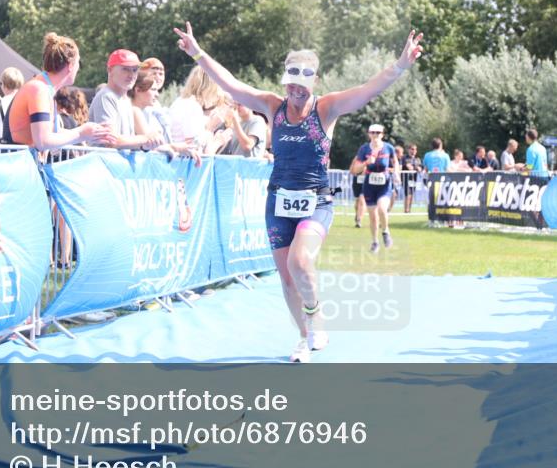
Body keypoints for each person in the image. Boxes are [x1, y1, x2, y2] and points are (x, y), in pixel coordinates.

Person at [173, 21, 423, 363]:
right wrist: (197, 52)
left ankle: (315, 313)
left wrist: (400, 66)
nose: (296, 92)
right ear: (285, 82)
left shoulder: (327, 108)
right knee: (287, 278)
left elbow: (368, 89)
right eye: (291, 84)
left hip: (316, 201)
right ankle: (305, 337)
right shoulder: (272, 106)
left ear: (314, 83)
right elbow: (230, 83)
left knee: (301, 261)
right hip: (278, 201)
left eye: (303, 85)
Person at [5, 32, 114, 149]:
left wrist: (93, 132)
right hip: (18, 163)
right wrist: (81, 133)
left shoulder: (44, 88)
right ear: (71, 66)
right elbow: (42, 141)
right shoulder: (39, 89)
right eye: (78, 63)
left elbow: (50, 134)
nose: (78, 69)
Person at [89, 49, 166, 150]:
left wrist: (156, 145)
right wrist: (146, 139)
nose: (131, 75)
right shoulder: (106, 96)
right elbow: (111, 141)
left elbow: (126, 142)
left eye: (135, 70)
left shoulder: (125, 100)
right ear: (110, 70)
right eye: (125, 69)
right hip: (105, 164)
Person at [350, 124, 398, 253]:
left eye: (378, 133)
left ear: (382, 134)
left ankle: (386, 231)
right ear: (369, 134)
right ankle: (375, 242)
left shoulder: (389, 148)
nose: (375, 135)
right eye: (373, 132)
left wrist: (397, 174)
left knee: (382, 209)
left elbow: (395, 162)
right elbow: (355, 170)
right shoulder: (364, 149)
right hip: (369, 185)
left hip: (385, 184)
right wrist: (366, 163)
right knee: (373, 216)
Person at [131, 58, 171, 141]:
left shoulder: (155, 104)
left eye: (161, 74)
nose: (157, 77)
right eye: (154, 73)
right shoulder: (136, 108)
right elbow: (150, 142)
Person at [399, 142, 423, 213]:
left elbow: (420, 168)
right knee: (408, 194)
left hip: (414, 179)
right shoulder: (404, 158)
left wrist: (417, 168)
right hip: (406, 179)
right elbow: (408, 167)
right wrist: (415, 167)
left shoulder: (418, 159)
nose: (414, 151)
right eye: (412, 149)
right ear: (409, 150)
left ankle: (409, 210)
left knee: (412, 194)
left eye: (415, 149)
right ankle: (406, 210)